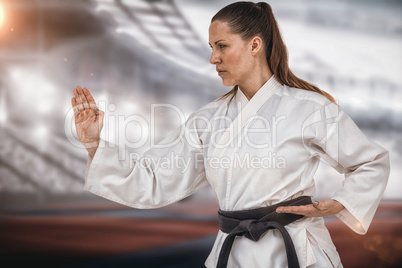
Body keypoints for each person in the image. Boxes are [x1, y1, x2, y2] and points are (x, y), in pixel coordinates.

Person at [71, 2, 390, 268]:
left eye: (222, 46)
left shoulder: (309, 107)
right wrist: (93, 143)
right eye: (211, 48)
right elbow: (156, 180)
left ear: (254, 44)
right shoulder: (207, 120)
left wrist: (339, 203)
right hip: (233, 253)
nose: (213, 58)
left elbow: (370, 161)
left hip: (298, 253)